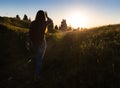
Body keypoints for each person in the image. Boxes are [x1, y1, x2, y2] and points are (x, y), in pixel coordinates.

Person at [29, 10, 52, 80]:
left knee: (37, 58)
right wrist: (47, 16)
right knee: (39, 59)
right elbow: (50, 21)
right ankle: (37, 75)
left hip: (34, 42)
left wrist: (30, 42)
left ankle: (35, 72)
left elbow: (30, 34)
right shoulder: (44, 23)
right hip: (41, 42)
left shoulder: (32, 23)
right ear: (43, 16)